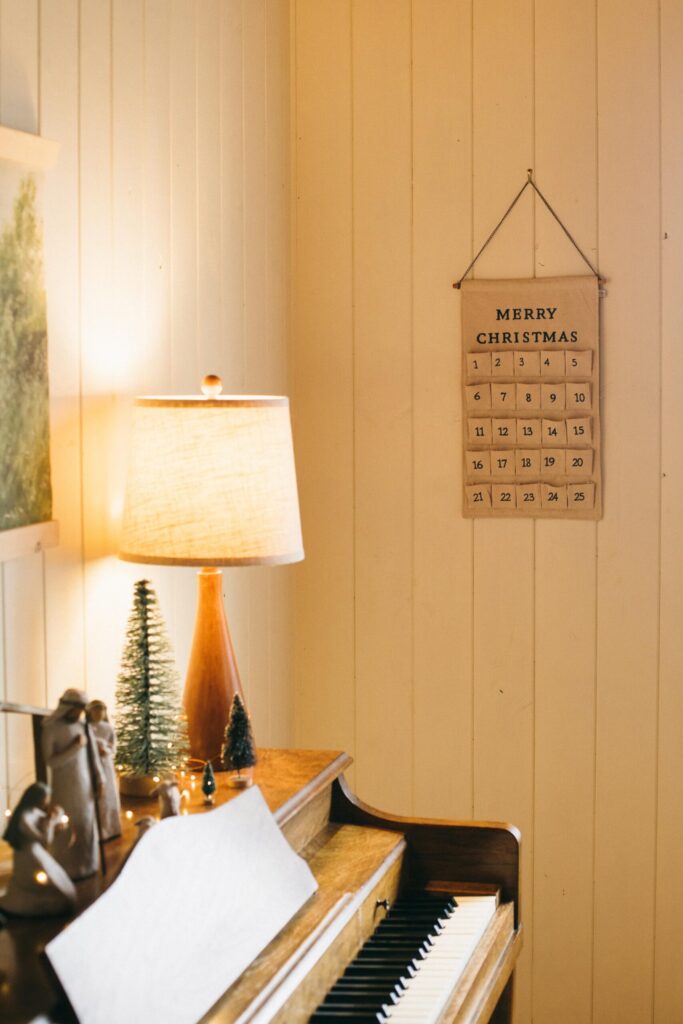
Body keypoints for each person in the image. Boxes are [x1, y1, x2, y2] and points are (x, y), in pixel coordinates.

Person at [41, 688, 104, 880]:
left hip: (85, 786)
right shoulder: (52, 728)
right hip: (65, 787)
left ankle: (87, 864)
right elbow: (51, 762)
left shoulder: (84, 726)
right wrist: (75, 747)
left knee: (85, 824)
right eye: (78, 709)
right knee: (66, 828)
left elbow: (93, 755)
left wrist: (100, 778)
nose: (80, 713)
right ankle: (65, 868)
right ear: (68, 708)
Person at [0, 782, 76, 917]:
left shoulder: (35, 812)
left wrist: (57, 818)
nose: (47, 802)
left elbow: (47, 824)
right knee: (45, 879)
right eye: (46, 798)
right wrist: (51, 823)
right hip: (29, 854)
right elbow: (45, 840)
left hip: (36, 851)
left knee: (59, 882)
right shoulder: (24, 818)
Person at [86, 700, 121, 841]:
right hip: (91, 764)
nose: (99, 714)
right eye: (96, 711)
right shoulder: (86, 727)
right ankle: (95, 829)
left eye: (101, 711)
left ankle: (110, 828)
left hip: (106, 764)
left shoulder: (108, 728)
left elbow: (113, 748)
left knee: (108, 794)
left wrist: (105, 750)